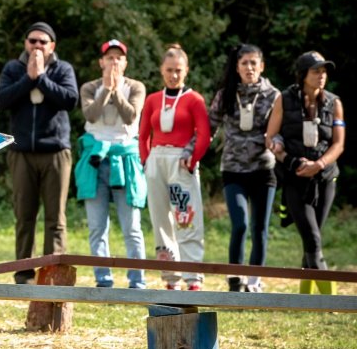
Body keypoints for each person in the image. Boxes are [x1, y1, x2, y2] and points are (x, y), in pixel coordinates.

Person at [0, 22, 79, 284]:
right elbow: (1, 100)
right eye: (32, 41)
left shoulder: (62, 69)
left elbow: (70, 100)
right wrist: (28, 79)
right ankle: (24, 274)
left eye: (43, 42)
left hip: (55, 152)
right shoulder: (13, 68)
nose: (37, 46)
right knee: (24, 216)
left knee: (56, 218)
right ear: (25, 43)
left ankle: (51, 275)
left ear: (52, 46)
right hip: (22, 153)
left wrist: (41, 78)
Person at [74, 40, 148, 289]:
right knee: (97, 227)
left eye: (119, 58)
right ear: (101, 62)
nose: (114, 61)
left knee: (132, 227)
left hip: (125, 160)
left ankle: (137, 281)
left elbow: (130, 115)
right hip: (95, 161)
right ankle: (103, 280)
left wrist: (115, 90)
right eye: (110, 57)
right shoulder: (89, 87)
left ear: (125, 63)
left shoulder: (136, 87)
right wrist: (105, 89)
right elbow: (91, 115)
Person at [266, 51, 345, 282]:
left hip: (326, 177)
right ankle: (330, 301)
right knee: (312, 238)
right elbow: (270, 137)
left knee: (313, 237)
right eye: (316, 71)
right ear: (302, 75)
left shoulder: (335, 102)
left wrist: (319, 164)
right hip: (295, 177)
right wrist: (288, 158)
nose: (321, 75)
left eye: (324, 71)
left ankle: (306, 295)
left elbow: (339, 144)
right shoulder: (284, 98)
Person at [138, 44, 211, 290]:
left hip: (181, 161)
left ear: (186, 70)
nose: (174, 75)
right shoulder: (153, 99)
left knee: (186, 216)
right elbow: (143, 134)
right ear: (162, 70)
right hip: (157, 160)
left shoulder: (194, 99)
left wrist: (192, 160)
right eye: (169, 70)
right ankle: (170, 277)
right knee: (160, 218)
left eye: (178, 70)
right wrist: (146, 160)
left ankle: (193, 277)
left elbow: (204, 133)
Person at [209, 44, 280, 292]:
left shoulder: (274, 96)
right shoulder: (225, 94)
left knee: (260, 227)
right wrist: (190, 152)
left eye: (254, 63)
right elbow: (209, 127)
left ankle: (254, 280)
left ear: (262, 66)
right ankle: (235, 276)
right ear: (236, 68)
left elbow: (280, 131)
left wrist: (278, 146)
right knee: (240, 224)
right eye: (244, 63)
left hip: (263, 170)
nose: (249, 68)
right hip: (233, 170)